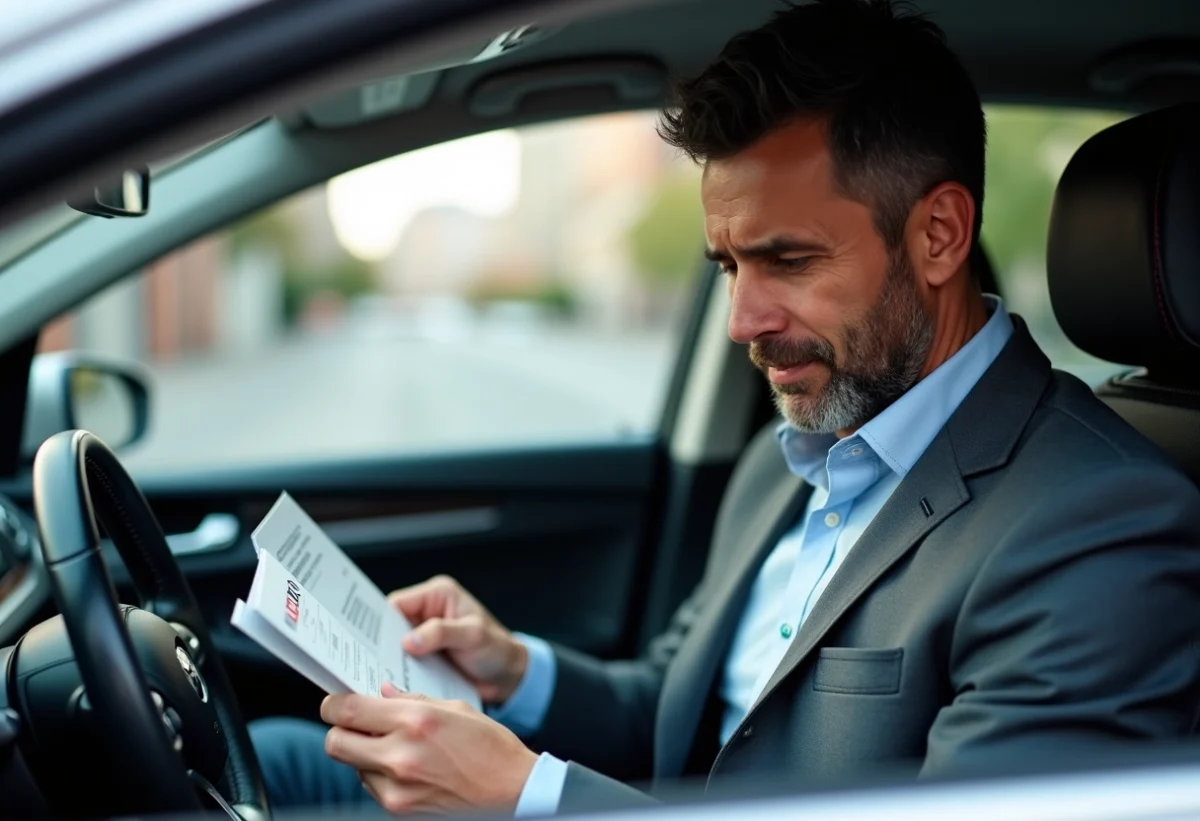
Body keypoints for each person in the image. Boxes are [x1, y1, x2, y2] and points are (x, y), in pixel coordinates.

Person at [250, 0, 1200, 815]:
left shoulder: (1097, 527)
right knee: (283, 758)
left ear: (940, 235)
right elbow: (682, 713)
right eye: (728, 265)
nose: (744, 319)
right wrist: (512, 669)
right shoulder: (788, 459)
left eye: (788, 259)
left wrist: (529, 797)